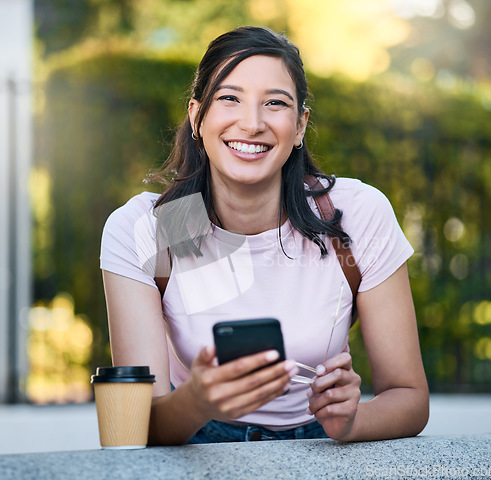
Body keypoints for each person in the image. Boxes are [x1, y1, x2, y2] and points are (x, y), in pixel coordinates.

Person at [100, 26, 429, 445]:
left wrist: (353, 421)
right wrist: (198, 401)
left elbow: (410, 398)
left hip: (322, 443)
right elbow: (133, 427)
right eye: (229, 99)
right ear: (197, 117)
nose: (252, 123)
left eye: (275, 103)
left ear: (300, 126)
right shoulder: (145, 229)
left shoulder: (356, 215)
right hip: (194, 441)